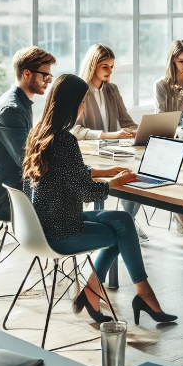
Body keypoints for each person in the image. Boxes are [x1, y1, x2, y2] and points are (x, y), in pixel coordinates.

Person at [22, 73, 177, 326]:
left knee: (123, 220)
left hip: (43, 223)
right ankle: (140, 294)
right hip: (61, 231)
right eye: (82, 102)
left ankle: (100, 293)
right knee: (123, 231)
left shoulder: (40, 133)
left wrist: (105, 172)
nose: (83, 107)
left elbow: (68, 174)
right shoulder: (65, 141)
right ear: (72, 104)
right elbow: (85, 193)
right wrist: (113, 184)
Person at [72, 43, 149, 242]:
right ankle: (121, 226)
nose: (109, 71)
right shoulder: (79, 90)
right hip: (90, 153)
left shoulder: (112, 90)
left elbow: (127, 122)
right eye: (105, 66)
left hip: (113, 149)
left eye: (112, 67)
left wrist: (140, 131)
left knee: (137, 174)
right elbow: (76, 130)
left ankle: (127, 221)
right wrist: (110, 135)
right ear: (93, 65)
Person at [0, 47, 56, 221]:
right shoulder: (11, 110)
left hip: (16, 188)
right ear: (27, 73)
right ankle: (62, 243)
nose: (49, 81)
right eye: (45, 75)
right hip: (8, 198)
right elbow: (28, 161)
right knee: (70, 190)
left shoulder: (21, 104)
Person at [153, 40, 183, 236]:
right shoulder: (161, 85)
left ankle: (182, 210)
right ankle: (182, 215)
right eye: (182, 61)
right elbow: (162, 119)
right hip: (170, 140)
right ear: (172, 61)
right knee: (177, 165)